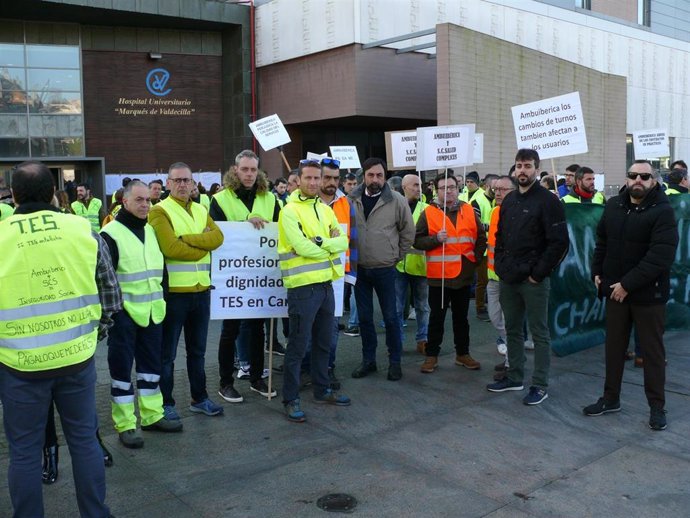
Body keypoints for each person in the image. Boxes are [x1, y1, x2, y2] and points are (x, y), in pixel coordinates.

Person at [0, 160, 121, 517]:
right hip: (76, 361)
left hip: (19, 365)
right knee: (84, 442)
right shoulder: (81, 230)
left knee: (23, 451)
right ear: (54, 192)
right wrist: (89, 338)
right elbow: (111, 298)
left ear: (13, 195)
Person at [584, 160, 678, 430]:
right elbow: (602, 241)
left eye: (644, 176)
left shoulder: (663, 211)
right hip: (615, 293)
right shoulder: (614, 205)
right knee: (614, 349)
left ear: (654, 181)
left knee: (651, 354)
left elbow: (660, 257)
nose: (638, 180)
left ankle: (657, 407)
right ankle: (611, 398)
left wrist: (627, 284)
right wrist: (597, 272)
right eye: (633, 175)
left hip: (648, 295)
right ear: (626, 179)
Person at [101, 180, 183, 449]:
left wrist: (164, 302)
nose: (145, 204)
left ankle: (152, 416)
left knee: (151, 370)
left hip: (153, 313)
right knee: (122, 371)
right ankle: (125, 424)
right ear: (124, 202)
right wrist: (115, 315)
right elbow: (105, 280)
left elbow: (161, 274)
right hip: (124, 317)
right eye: (139, 200)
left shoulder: (150, 230)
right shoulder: (110, 234)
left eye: (148, 200)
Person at [486, 148, 569, 405]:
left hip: (533, 281)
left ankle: (540, 384)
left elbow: (559, 243)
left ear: (536, 168)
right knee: (512, 330)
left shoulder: (548, 201)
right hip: (509, 278)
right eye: (519, 165)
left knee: (539, 332)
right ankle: (514, 377)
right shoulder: (509, 200)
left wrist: (537, 274)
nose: (522, 170)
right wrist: (500, 265)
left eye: (528, 166)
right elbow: (499, 237)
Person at [149, 162, 225, 419]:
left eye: (186, 180)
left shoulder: (202, 208)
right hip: (174, 294)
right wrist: (203, 244)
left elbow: (219, 238)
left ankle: (199, 397)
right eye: (177, 180)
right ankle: (166, 404)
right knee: (167, 354)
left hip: (201, 291)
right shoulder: (159, 211)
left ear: (193, 183)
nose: (183, 185)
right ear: (168, 184)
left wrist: (188, 239)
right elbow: (170, 248)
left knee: (198, 352)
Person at [278, 159, 350, 422]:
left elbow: (343, 241)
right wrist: (328, 245)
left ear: (321, 180)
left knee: (322, 342)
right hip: (302, 289)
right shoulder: (289, 211)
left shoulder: (325, 209)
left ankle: (322, 389)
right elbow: (299, 245)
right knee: (297, 346)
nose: (312, 182)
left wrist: (320, 242)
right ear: (298, 180)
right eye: (307, 178)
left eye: (316, 178)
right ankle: (290, 398)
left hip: (325, 285)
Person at [209, 150, 281, 403]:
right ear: (235, 170)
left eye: (253, 170)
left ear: (258, 171)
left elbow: (278, 229)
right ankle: (225, 382)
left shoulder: (270, 198)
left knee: (258, 327)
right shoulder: (220, 199)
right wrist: (247, 221)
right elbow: (218, 234)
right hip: (232, 275)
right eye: (245, 169)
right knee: (230, 330)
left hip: (260, 273)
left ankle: (256, 378)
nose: (249, 174)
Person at [349, 158, 415, 381]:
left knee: (391, 317)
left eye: (379, 175)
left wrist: (397, 256)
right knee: (365, 319)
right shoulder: (351, 199)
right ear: (364, 176)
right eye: (371, 175)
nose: (375, 179)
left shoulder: (396, 200)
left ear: (384, 176)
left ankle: (394, 362)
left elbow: (408, 232)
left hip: (386, 269)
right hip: (360, 271)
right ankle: (369, 361)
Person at [413, 173, 486, 373]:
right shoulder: (428, 213)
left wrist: (475, 260)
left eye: (452, 187)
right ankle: (431, 356)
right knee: (437, 318)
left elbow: (480, 237)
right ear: (437, 190)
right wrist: (436, 239)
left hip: (463, 275)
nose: (449, 191)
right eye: (444, 187)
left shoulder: (469, 210)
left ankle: (462, 354)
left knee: (462, 319)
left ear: (458, 188)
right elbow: (416, 240)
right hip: (439, 278)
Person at [316, 157, 358, 388]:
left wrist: (350, 274)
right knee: (307, 328)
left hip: (336, 278)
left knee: (331, 328)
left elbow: (353, 240)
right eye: (327, 177)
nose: (332, 182)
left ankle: (328, 368)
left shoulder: (346, 204)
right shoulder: (307, 203)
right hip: (309, 276)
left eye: (335, 178)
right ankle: (308, 369)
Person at [396, 174, 430, 355]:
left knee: (423, 306)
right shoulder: (396, 207)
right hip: (398, 265)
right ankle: (397, 341)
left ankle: (423, 339)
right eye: (415, 185)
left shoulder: (426, 209)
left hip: (420, 266)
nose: (419, 188)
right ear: (404, 186)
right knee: (397, 307)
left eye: (420, 185)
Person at [487, 176, 516, 374]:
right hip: (493, 276)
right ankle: (512, 357)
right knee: (495, 317)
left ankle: (511, 362)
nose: (497, 193)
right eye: (496, 189)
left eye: (503, 189)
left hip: (510, 279)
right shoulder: (494, 211)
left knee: (509, 322)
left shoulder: (519, 212)